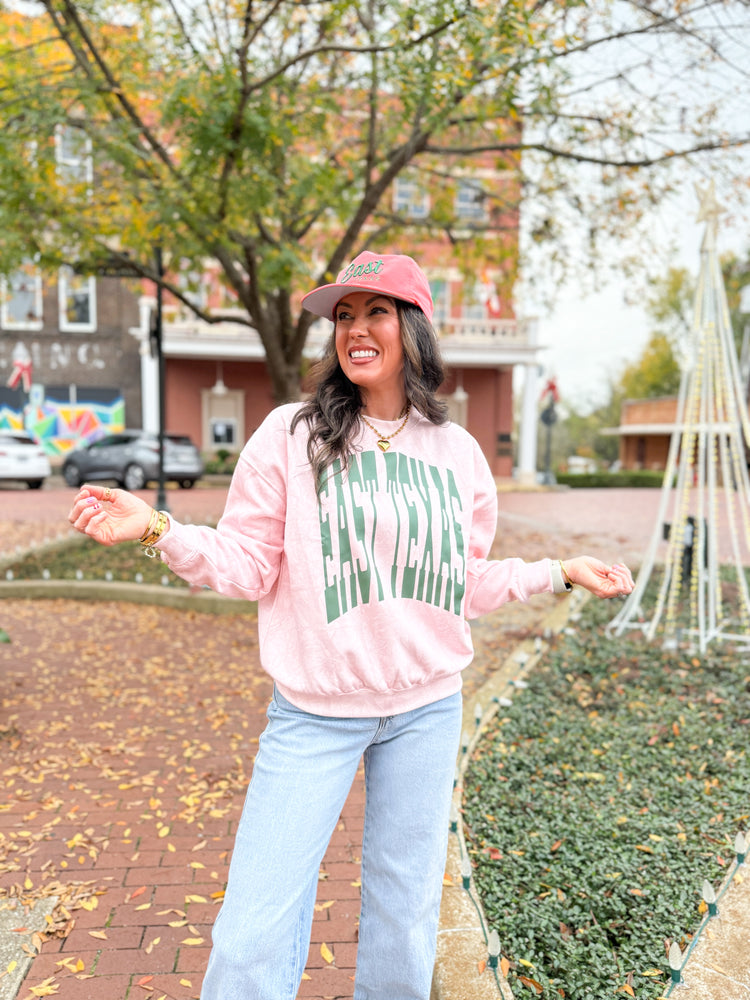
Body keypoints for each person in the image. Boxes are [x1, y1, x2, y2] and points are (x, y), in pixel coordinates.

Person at [68, 251, 634, 1000]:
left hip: (427, 708)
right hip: (314, 713)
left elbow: (456, 583)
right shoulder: (289, 435)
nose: (356, 329)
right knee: (253, 929)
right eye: (343, 315)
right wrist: (158, 530)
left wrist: (558, 568)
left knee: (403, 916)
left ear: (414, 329)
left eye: (376, 311)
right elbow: (245, 565)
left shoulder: (458, 453)